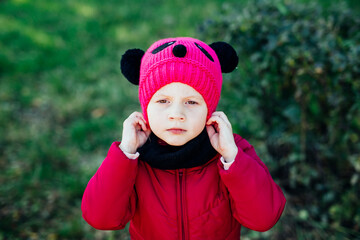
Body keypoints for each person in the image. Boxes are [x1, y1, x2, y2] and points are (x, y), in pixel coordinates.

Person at [81, 37, 286, 239]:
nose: (176, 114)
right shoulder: (133, 159)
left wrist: (232, 157)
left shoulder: (233, 152)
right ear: (145, 107)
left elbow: (264, 219)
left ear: (210, 109)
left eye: (191, 102)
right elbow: (101, 218)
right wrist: (125, 153)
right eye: (163, 100)